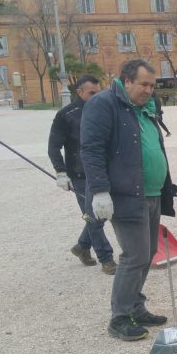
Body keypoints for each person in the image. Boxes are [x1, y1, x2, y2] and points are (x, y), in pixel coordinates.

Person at [81, 59, 177, 341]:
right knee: (134, 255)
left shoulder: (146, 107)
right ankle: (120, 317)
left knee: (147, 254)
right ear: (126, 81)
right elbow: (91, 150)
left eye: (152, 85)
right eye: (144, 84)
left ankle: (136, 305)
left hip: (151, 193)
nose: (149, 90)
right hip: (125, 195)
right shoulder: (103, 105)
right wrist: (99, 191)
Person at [48, 75, 117, 274]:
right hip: (80, 175)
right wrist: (60, 172)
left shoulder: (104, 110)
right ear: (79, 92)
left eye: (99, 92)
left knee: (99, 215)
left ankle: (81, 246)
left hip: (103, 172)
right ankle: (106, 258)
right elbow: (53, 146)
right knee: (94, 217)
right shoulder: (66, 114)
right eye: (92, 93)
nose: (97, 97)